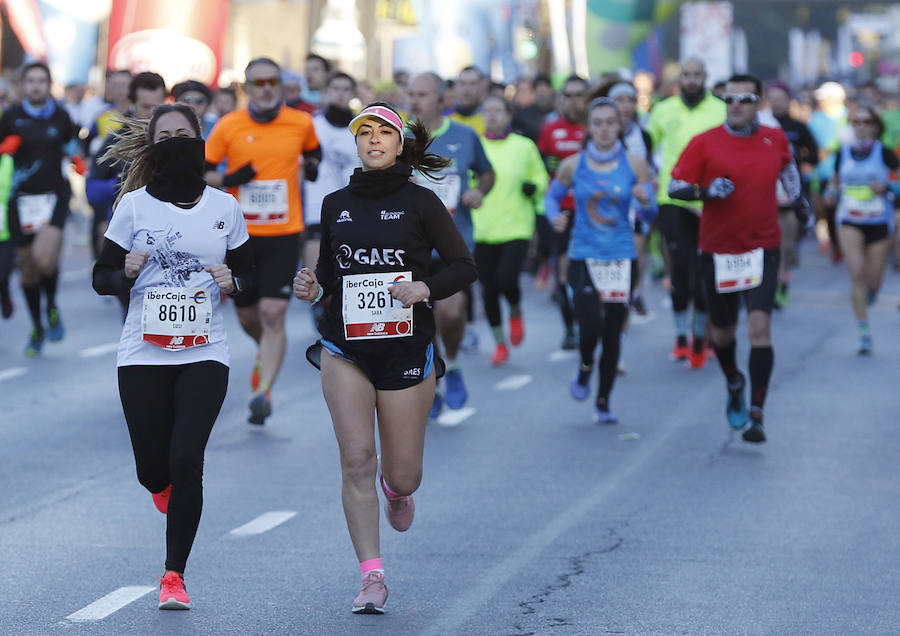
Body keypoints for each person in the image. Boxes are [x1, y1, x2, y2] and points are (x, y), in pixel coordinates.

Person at [293, 102, 476, 614]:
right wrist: (312, 285)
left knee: (403, 475)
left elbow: (464, 267)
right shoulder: (335, 203)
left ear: (399, 144)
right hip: (345, 348)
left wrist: (424, 287)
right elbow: (330, 273)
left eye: (384, 133)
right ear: (356, 144)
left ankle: (397, 491)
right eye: (364, 133)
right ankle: (372, 576)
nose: (374, 140)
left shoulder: (422, 202)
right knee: (356, 460)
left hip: (404, 348)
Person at [91, 103, 253, 610]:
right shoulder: (134, 206)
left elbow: (249, 277)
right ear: (153, 146)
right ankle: (163, 489)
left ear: (201, 141)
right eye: (167, 136)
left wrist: (236, 281)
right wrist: (126, 274)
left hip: (205, 350)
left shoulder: (224, 207)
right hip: (143, 352)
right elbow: (102, 278)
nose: (177, 142)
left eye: (185, 134)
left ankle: (173, 576)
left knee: (187, 459)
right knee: (152, 471)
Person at [669, 73, 804, 443]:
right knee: (722, 332)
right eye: (729, 100)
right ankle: (733, 380)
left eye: (745, 100)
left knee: (759, 327)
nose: (736, 106)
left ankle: (757, 412)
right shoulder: (704, 143)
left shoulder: (773, 139)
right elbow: (674, 186)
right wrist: (706, 190)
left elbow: (788, 171)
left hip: (763, 246)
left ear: (759, 103)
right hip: (719, 249)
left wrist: (802, 205)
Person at [205, 57, 321, 425]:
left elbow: (313, 151)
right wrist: (230, 178)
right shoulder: (229, 126)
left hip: (285, 232)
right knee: (248, 314)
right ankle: (265, 352)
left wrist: (314, 165)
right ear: (247, 88)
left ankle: (263, 391)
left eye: (273, 81)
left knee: (273, 314)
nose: (267, 88)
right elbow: (204, 170)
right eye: (259, 83)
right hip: (239, 236)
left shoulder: (300, 123)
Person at [545, 97, 656, 422]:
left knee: (612, 331)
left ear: (619, 126)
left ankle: (603, 401)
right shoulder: (573, 164)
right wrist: (555, 218)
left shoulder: (635, 164)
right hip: (584, 254)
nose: (605, 129)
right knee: (589, 326)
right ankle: (584, 367)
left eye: (611, 122)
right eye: (598, 123)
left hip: (621, 256)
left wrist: (646, 202)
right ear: (589, 128)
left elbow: (651, 214)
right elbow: (551, 199)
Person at [407, 71, 494, 412]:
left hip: (452, 241)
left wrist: (478, 190)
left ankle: (453, 363)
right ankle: (433, 378)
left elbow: (487, 173)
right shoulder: (399, 138)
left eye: (423, 94)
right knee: (419, 319)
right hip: (410, 244)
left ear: (441, 99)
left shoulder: (464, 135)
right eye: (411, 93)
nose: (415, 100)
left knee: (452, 313)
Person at [0, 62, 84, 356]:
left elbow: (73, 144)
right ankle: (37, 325)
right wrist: (4, 148)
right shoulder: (10, 117)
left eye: (41, 81)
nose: (35, 86)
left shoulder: (60, 116)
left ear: (48, 85)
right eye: (31, 81)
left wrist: (78, 159)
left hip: (54, 196)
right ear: (22, 85)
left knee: (44, 260)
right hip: (19, 199)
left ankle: (51, 305)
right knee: (28, 271)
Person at [646, 58, 726, 368]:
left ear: (705, 77)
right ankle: (681, 338)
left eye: (697, 75)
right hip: (673, 198)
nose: (692, 80)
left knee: (705, 273)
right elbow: (644, 147)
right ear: (680, 78)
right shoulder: (663, 110)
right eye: (687, 75)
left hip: (710, 201)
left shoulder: (720, 110)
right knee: (680, 269)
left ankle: (699, 339)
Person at [474, 95, 548, 365]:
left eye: (497, 111)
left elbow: (540, 176)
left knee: (506, 279)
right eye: (488, 111)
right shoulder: (477, 145)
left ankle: (515, 310)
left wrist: (534, 186)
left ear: (509, 115)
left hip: (517, 224)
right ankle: (500, 343)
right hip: (482, 227)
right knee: (488, 289)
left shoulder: (524, 146)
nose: (492, 116)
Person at [825, 104, 898, 354]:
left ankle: (870, 296)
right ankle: (864, 331)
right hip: (850, 221)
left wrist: (888, 188)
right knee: (856, 273)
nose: (862, 127)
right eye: (857, 122)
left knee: (874, 283)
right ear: (852, 125)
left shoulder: (886, 153)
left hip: (878, 222)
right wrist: (831, 194)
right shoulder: (842, 154)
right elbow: (834, 183)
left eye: (867, 122)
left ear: (876, 126)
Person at [86, 72, 168, 281]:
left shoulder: (177, 138)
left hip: (170, 232)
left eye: (156, 108)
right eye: (145, 107)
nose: (151, 115)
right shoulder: (117, 139)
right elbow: (92, 189)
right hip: (129, 233)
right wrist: (122, 186)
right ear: (131, 104)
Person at [537, 75, 588, 350]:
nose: (573, 101)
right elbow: (542, 164)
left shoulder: (595, 128)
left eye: (579, 94)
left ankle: (592, 321)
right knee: (565, 273)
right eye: (568, 95)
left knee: (590, 271)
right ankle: (570, 327)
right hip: (562, 212)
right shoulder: (550, 129)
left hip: (592, 213)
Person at [303, 72, 360, 282]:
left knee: (348, 279)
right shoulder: (311, 125)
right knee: (314, 282)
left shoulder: (361, 128)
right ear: (325, 93)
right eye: (335, 88)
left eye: (346, 89)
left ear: (353, 93)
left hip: (354, 209)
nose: (340, 94)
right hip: (316, 209)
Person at [766, 82, 819, 309]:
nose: (777, 102)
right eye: (773, 98)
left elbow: (814, 154)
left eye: (781, 98)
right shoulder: (762, 126)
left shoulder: (798, 127)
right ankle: (767, 285)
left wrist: (799, 165)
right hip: (765, 196)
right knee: (769, 245)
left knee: (787, 246)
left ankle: (782, 286)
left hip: (789, 197)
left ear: (789, 100)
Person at [809, 81, 850, 263]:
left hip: (846, 175)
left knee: (843, 210)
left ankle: (845, 245)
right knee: (826, 211)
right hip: (822, 174)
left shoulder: (849, 117)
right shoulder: (816, 118)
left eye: (824, 97)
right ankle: (835, 245)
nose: (821, 101)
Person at [449, 66, 486, 135]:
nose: (467, 89)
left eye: (473, 84)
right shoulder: (445, 118)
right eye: (462, 83)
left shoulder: (489, 118)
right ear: (456, 87)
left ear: (481, 87)